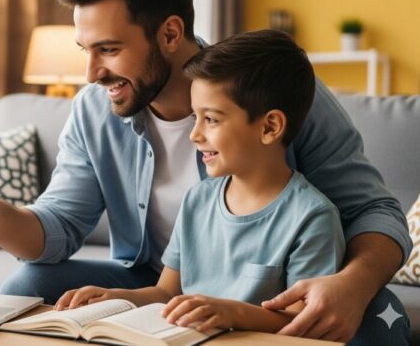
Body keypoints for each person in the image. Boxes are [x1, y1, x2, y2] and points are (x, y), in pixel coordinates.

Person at [0, 0, 411, 344]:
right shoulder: (95, 110)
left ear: (170, 33)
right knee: (26, 286)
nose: (92, 73)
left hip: (277, 287)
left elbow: (374, 210)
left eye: (110, 49)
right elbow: (57, 229)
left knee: (362, 324)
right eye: (86, 50)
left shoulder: (273, 88)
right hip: (162, 277)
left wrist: (353, 285)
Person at [54, 29, 347, 335]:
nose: (195, 134)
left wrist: (232, 313)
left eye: (211, 119)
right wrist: (116, 298)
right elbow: (167, 293)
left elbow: (302, 323)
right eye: (195, 117)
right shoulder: (198, 200)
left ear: (270, 127)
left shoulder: (312, 217)